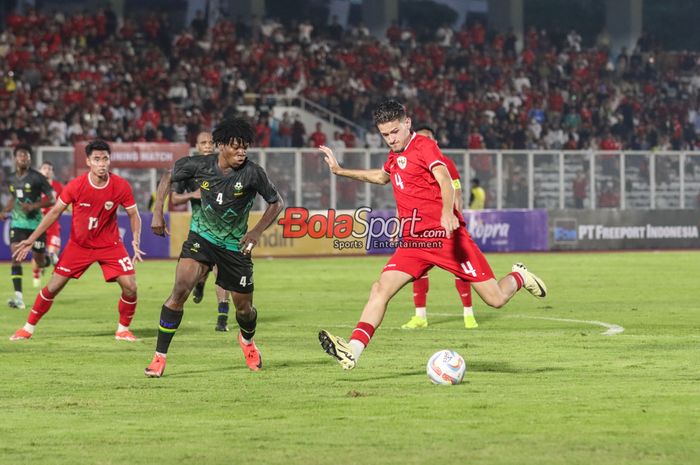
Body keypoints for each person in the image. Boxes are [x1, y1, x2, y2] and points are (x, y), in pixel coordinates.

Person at [317, 100, 547, 370]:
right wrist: (340, 171)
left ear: (407, 123)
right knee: (380, 288)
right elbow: (382, 177)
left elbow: (444, 179)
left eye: (394, 132)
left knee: (495, 298)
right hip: (414, 242)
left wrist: (447, 212)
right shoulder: (394, 156)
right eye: (385, 135)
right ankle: (353, 349)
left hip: (447, 238)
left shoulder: (425, 146)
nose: (391, 139)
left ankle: (519, 276)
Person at [146, 117, 284, 377]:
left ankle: (247, 342)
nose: (242, 152)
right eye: (236, 146)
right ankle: (158, 358)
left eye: (245, 147)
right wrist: (157, 212)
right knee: (179, 289)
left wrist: (255, 231)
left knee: (244, 309)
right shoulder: (199, 165)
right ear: (221, 146)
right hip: (202, 238)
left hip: (235, 246)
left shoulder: (253, 172)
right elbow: (167, 176)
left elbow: (277, 203)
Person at [9, 140, 144, 341]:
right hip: (79, 246)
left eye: (105, 159)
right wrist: (31, 239)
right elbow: (54, 212)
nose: (102, 164)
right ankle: (28, 328)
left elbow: (134, 214)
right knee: (53, 287)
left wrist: (135, 240)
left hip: (110, 245)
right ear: (88, 161)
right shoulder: (76, 185)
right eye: (97, 159)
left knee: (131, 286)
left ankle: (122, 329)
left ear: (110, 160)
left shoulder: (121, 186)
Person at [400, 125, 478, 330]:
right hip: (422, 228)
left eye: (428, 139)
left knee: (461, 270)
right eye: (421, 138)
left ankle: (468, 314)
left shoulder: (446, 164)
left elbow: (457, 194)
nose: (424, 142)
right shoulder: (409, 164)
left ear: (434, 142)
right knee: (418, 272)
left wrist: (455, 219)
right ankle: (420, 317)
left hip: (446, 225)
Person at [170, 131, 232, 332]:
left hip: (225, 229)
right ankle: (200, 283)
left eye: (211, 142)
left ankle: (222, 319)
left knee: (222, 272)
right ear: (196, 146)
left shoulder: (224, 166)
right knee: (198, 271)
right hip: (200, 230)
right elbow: (174, 199)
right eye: (203, 142)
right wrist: (193, 195)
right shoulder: (188, 169)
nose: (207, 146)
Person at [0, 144, 55, 309]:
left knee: (38, 262)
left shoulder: (38, 177)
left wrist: (34, 206)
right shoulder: (10, 178)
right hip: (17, 223)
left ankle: (48, 260)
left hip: (36, 225)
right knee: (16, 258)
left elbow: (52, 199)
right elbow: (13, 198)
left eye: (26, 156)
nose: (23, 158)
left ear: (30, 159)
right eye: (20, 155)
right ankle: (19, 299)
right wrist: (5, 210)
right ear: (15, 159)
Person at [31, 161, 64, 288]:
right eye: (44, 168)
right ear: (39, 171)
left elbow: (64, 202)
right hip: (38, 225)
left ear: (52, 172)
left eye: (49, 168)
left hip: (53, 224)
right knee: (37, 255)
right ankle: (36, 274)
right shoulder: (34, 187)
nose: (47, 170)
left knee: (53, 254)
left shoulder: (58, 186)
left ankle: (52, 284)